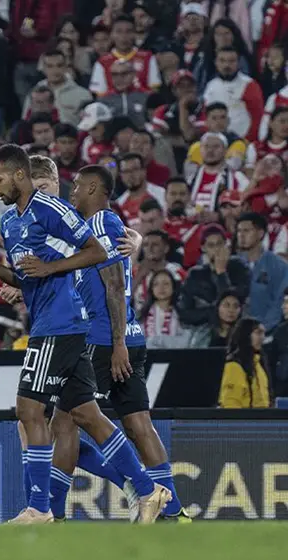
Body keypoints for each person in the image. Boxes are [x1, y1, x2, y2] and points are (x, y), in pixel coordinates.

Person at [0, 144, 169, 524]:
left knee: (28, 411)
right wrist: (2, 272)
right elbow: (29, 276)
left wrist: (54, 269)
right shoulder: (9, 223)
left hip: (63, 324)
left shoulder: (51, 211)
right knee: (87, 416)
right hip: (51, 324)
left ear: (21, 176)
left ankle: (41, 508)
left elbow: (97, 251)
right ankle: (148, 491)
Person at [59, 165, 188, 522]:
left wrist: (116, 344)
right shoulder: (108, 226)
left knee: (68, 423)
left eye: (77, 186)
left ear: (95, 187)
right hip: (127, 335)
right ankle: (172, 511)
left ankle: (141, 490)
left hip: (104, 340)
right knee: (137, 424)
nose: (71, 192)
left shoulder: (100, 224)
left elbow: (114, 285)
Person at [236, 213, 288, 332]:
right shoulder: (232, 263)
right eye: (239, 231)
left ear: (260, 234)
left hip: (268, 333)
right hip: (235, 333)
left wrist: (263, 328)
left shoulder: (279, 267)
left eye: (246, 231)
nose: (241, 235)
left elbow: (279, 303)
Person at [219, 317, 271, 408]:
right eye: (258, 333)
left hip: (261, 420)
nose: (262, 337)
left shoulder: (258, 363)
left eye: (263, 333)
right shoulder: (234, 365)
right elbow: (230, 402)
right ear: (245, 334)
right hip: (244, 421)